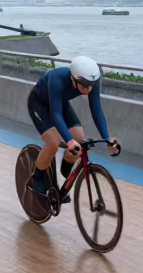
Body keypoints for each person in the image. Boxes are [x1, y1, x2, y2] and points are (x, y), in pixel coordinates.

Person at [26, 55, 119, 201]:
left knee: (80, 140)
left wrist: (107, 138)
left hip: (60, 103)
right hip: (39, 104)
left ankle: (66, 170)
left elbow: (96, 110)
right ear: (73, 79)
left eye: (91, 85)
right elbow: (55, 114)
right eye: (84, 85)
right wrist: (69, 141)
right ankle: (37, 178)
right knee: (53, 142)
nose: (88, 89)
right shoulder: (56, 79)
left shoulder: (90, 82)